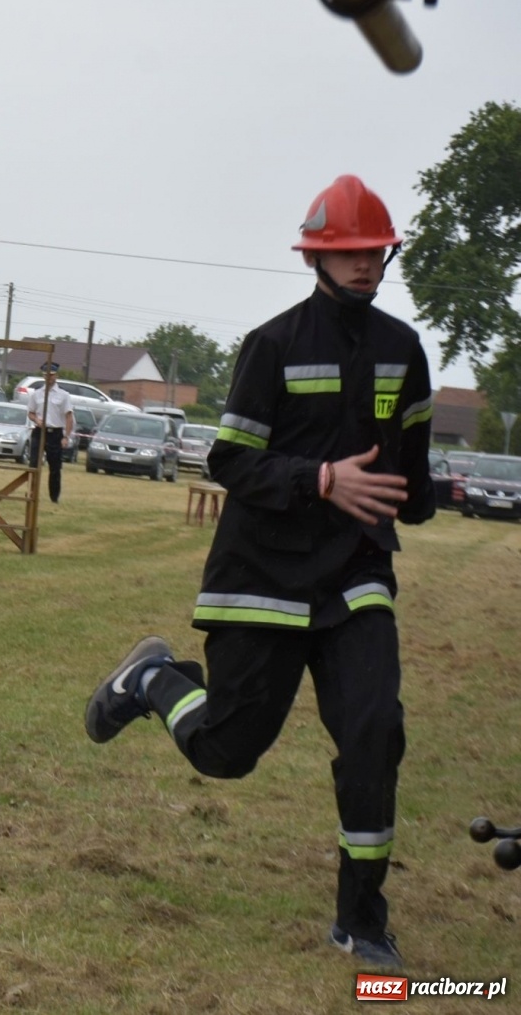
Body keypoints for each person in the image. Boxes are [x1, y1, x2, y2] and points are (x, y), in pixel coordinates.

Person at [82, 176, 435, 971]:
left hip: (354, 578)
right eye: (347, 251)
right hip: (262, 575)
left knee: (376, 733)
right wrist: (320, 479)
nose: (364, 264)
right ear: (316, 254)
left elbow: (411, 478)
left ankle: (361, 919)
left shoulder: (403, 349)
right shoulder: (272, 344)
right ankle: (153, 681)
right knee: (227, 753)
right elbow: (230, 459)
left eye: (374, 250)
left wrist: (415, 499)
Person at [26, 361, 75, 503]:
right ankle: (32, 494)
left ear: (56, 376)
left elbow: (68, 416)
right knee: (34, 464)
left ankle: (54, 497)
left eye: (51, 375)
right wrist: (36, 420)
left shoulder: (63, 395)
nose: (49, 378)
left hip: (55, 433)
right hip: (40, 432)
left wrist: (66, 436)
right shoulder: (36, 394)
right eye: (46, 375)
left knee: (55, 468)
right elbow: (31, 413)